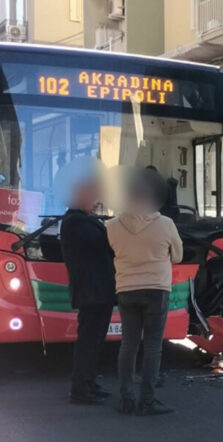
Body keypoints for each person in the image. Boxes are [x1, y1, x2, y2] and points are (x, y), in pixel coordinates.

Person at [106, 168, 182, 416]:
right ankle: (147, 401)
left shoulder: (112, 226)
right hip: (157, 289)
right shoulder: (166, 224)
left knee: (128, 345)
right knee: (152, 346)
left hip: (126, 289)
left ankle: (126, 398)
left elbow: (111, 252)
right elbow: (178, 256)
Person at [59, 158, 116, 405]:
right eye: (93, 196)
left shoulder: (86, 220)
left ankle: (90, 382)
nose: (97, 201)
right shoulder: (75, 222)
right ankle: (80, 388)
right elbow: (104, 245)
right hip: (91, 290)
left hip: (99, 290)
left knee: (95, 341)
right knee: (88, 341)